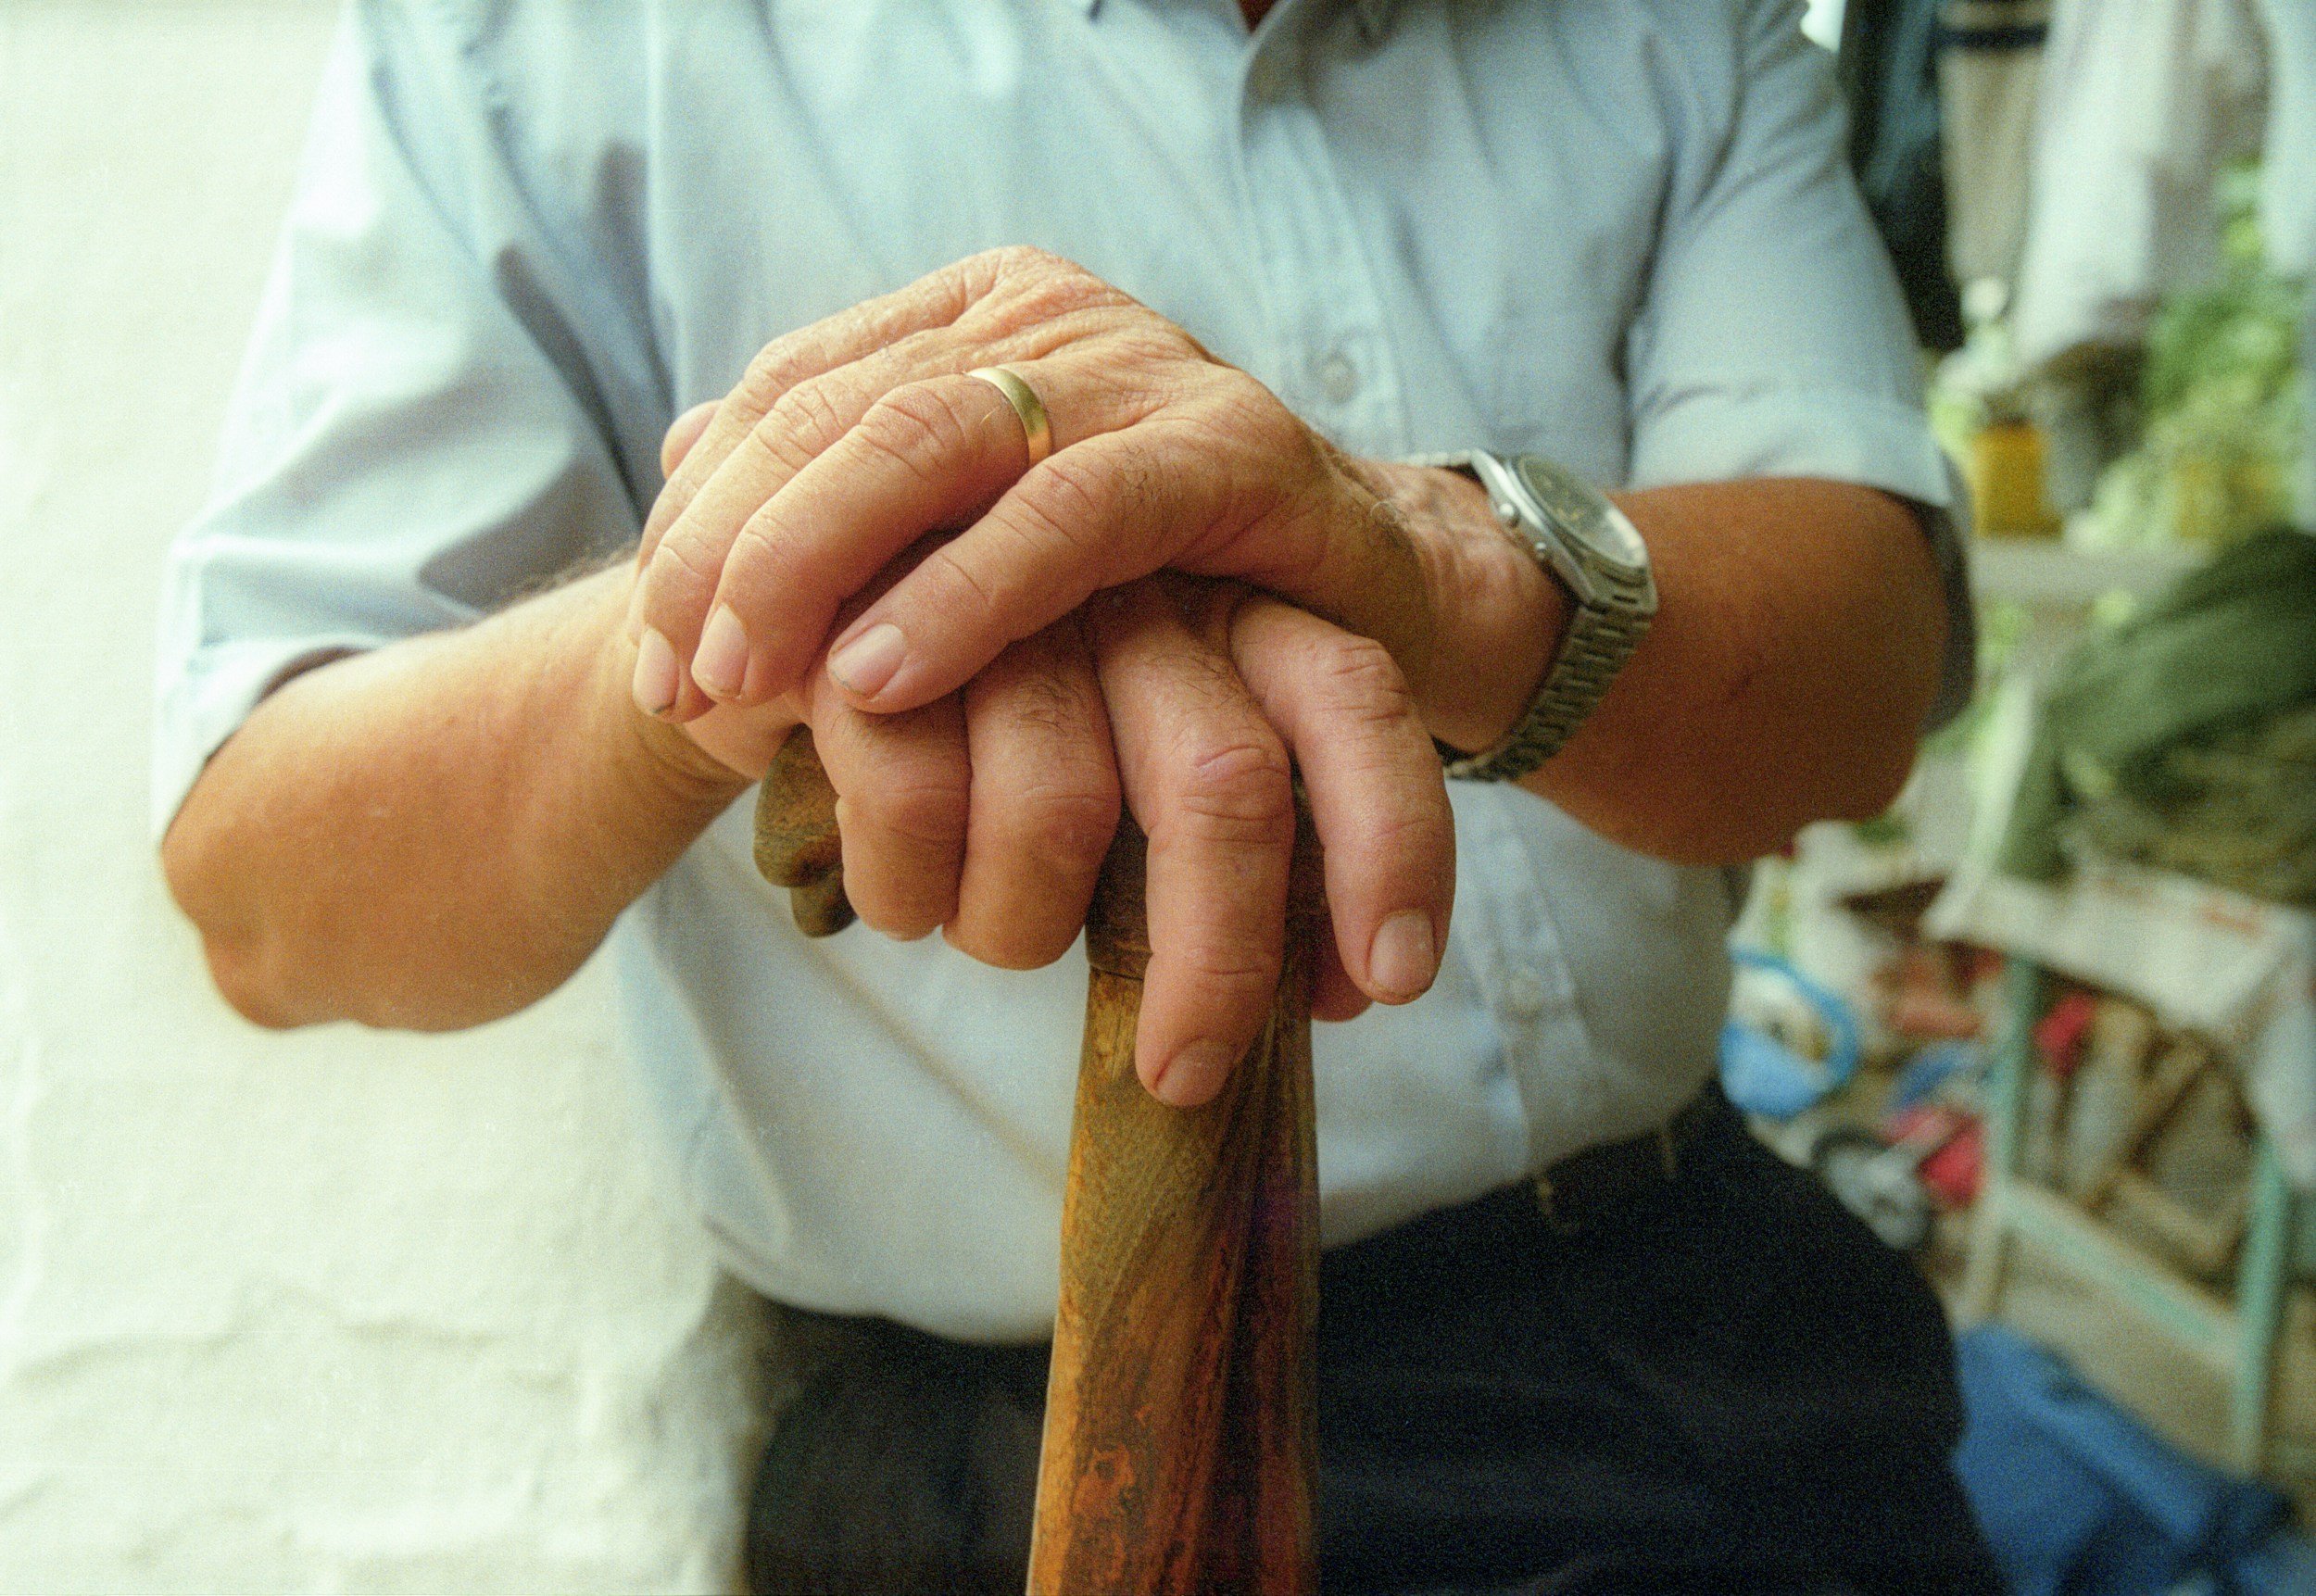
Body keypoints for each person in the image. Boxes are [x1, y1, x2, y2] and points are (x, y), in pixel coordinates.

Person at [156, 1, 2000, 1590]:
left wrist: (1422, 562)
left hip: (1682, 1359)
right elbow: (268, 890)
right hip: (972, 1458)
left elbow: (1857, 674)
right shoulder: (551, 44)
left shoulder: (1663, 29)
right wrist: (777, 588)